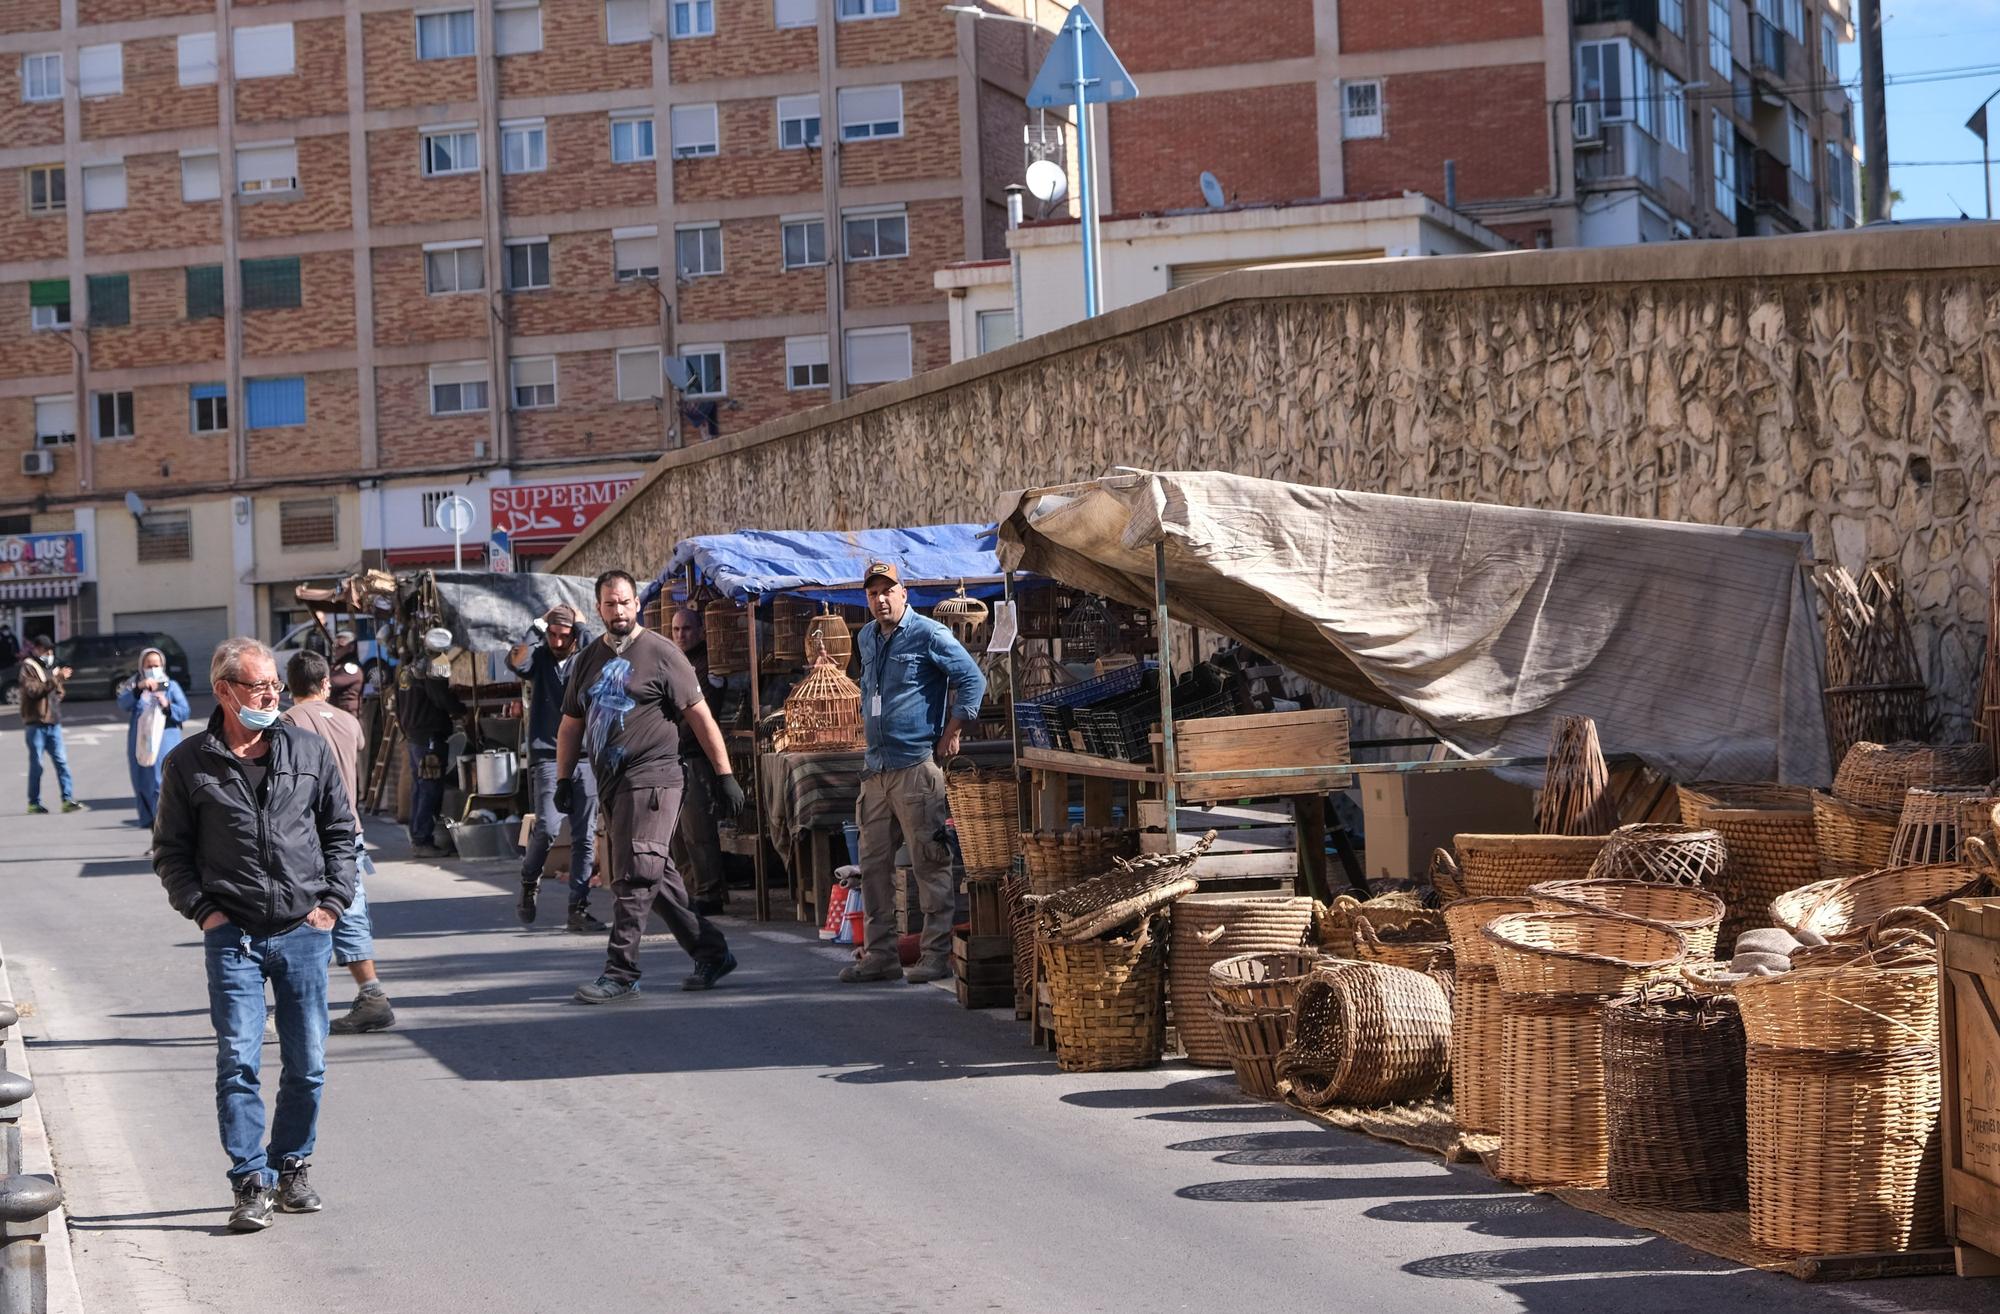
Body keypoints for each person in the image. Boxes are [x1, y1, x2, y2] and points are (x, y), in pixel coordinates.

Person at [153, 637, 356, 1232]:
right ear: (224, 691)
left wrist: (332, 905)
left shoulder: (309, 750)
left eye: (276, 686)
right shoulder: (190, 762)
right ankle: (249, 1182)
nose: (274, 696)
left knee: (308, 1062)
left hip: (303, 931)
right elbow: (170, 852)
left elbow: (342, 833)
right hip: (233, 936)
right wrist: (204, 912)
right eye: (260, 686)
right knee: (238, 1061)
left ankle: (291, 1166)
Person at [558, 570, 743, 1003]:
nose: (618, 610)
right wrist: (564, 776)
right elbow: (570, 724)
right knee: (654, 874)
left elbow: (700, 717)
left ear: (636, 603)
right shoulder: (587, 660)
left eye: (624, 602)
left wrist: (725, 775)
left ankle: (621, 972)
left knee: (635, 873)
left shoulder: (662, 653)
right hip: (612, 784)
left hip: (655, 777)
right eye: (609, 604)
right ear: (599, 607)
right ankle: (711, 951)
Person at [839, 561, 985, 986]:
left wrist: (953, 731)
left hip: (917, 768)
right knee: (874, 866)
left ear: (904, 592)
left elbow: (972, 680)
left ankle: (935, 955)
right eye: (872, 593)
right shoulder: (866, 637)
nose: (880, 599)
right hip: (876, 770)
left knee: (929, 864)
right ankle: (881, 955)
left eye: (888, 590)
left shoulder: (929, 633)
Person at [282, 651, 395, 1036]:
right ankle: (371, 994)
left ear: (287, 684)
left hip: (308, 833)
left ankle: (299, 1005)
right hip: (350, 831)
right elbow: (359, 745)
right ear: (325, 685)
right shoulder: (349, 720)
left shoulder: (287, 722)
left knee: (298, 916)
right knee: (349, 909)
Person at [507, 604, 604, 933]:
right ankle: (529, 879)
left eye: (565, 636)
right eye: (552, 635)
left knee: (585, 837)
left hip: (586, 756)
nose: (558, 642)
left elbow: (600, 655)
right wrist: (536, 626)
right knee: (547, 827)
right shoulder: (540, 660)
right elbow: (518, 660)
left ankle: (578, 907)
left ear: (574, 635)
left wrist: (582, 624)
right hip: (548, 756)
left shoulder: (584, 659)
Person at [668, 606, 731, 916]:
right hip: (671, 756)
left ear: (701, 631)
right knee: (677, 832)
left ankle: (709, 892)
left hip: (694, 755)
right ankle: (691, 889)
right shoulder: (674, 663)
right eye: (676, 630)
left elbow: (694, 716)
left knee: (698, 829)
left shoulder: (708, 667)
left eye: (687, 629)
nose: (682, 635)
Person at [396, 627, 462, 857]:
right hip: (429, 736)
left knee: (421, 786)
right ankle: (422, 840)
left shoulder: (407, 669)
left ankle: (419, 837)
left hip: (415, 736)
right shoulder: (434, 667)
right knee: (429, 788)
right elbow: (440, 697)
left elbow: (396, 704)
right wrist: (460, 710)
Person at [116, 646, 190, 830]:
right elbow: (123, 704)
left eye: (156, 664)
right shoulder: (135, 685)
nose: (152, 668)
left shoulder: (171, 686)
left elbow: (185, 712)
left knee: (161, 786)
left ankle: (164, 835)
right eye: (148, 664)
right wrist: (138, 690)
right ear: (141, 666)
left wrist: (167, 706)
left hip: (165, 742)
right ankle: (153, 831)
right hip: (141, 743)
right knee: (142, 785)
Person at [19, 636, 82, 815]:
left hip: (53, 722)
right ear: (37, 649)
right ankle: (34, 802)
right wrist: (56, 679)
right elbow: (33, 691)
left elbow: (57, 691)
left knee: (62, 762)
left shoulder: (50, 668)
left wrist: (59, 684)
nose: (50, 654)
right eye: (46, 651)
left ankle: (67, 799)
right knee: (37, 764)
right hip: (36, 723)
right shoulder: (29, 667)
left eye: (51, 651)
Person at [327, 628, 366, 725]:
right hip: (337, 718)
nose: (335, 649)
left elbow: (332, 683)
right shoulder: (338, 666)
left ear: (351, 647)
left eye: (340, 646)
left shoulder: (353, 668)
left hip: (348, 720)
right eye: (334, 646)